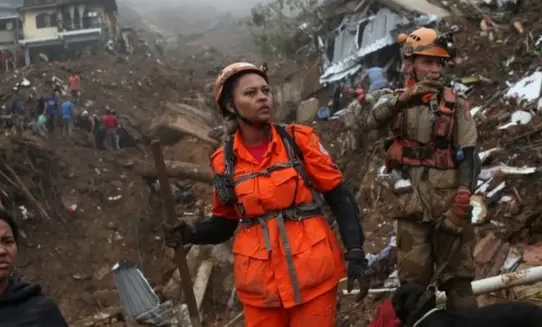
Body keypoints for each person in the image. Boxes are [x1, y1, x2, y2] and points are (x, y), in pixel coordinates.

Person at [163, 62, 370, 327]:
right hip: (260, 290)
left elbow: (339, 197)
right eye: (250, 93)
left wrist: (355, 252)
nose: (263, 97)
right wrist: (191, 233)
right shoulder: (223, 162)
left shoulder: (300, 140)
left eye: (265, 91)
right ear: (230, 106)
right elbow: (225, 223)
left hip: (313, 279)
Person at [367, 27, 479, 312]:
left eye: (439, 62)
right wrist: (406, 99)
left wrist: (464, 197)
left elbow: (469, 156)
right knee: (413, 289)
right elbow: (371, 121)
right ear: (410, 64)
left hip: (448, 204)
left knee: (459, 284)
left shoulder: (457, 105)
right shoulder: (395, 101)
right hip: (409, 209)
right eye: (427, 61)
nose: (434, 69)